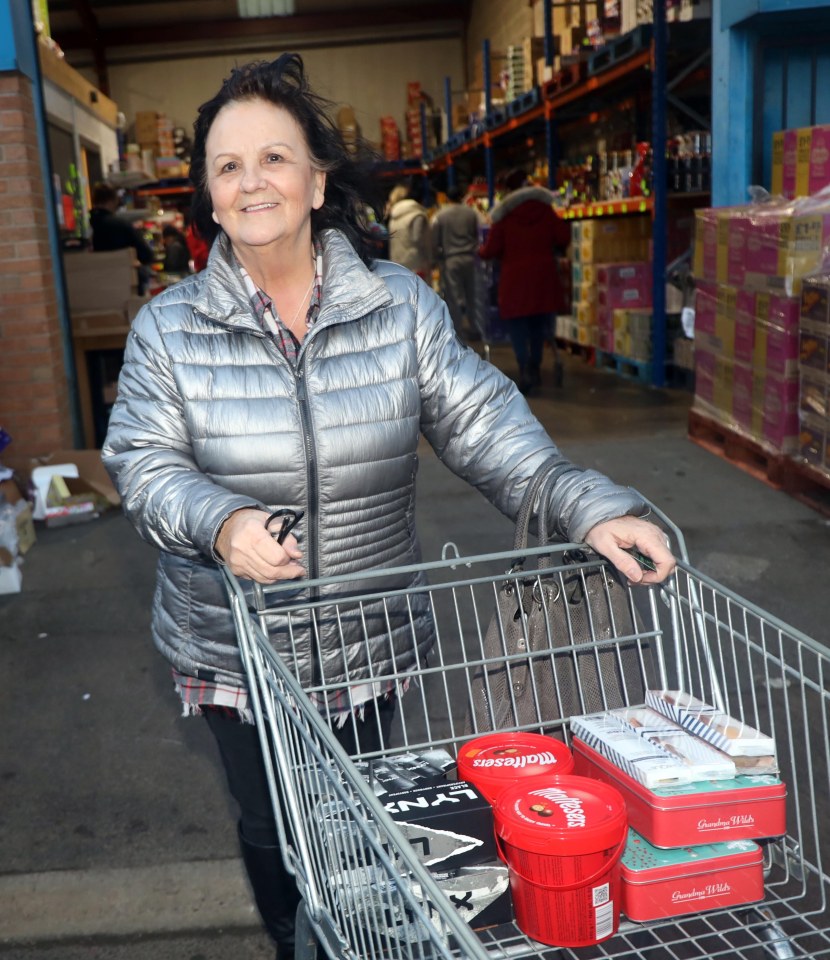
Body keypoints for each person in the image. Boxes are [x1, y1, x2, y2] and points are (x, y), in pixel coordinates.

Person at [101, 54, 675, 960]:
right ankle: (295, 938)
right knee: (269, 819)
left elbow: (489, 428)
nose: (254, 182)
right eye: (228, 165)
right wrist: (221, 522)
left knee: (358, 807)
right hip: (234, 646)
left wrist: (588, 505)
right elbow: (141, 462)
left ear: (317, 178)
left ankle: (354, 930)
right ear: (208, 199)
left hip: (373, 638)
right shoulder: (168, 330)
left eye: (275, 158)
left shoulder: (399, 307)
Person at [478, 168, 572, 393]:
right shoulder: (546, 211)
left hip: (515, 280)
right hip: (543, 277)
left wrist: (480, 252)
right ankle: (536, 365)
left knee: (518, 326)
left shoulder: (504, 216)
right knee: (539, 325)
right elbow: (563, 237)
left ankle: (524, 368)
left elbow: (491, 249)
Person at [431, 184, 483, 341]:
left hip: (451, 260)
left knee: (453, 297)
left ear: (446, 197)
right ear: (461, 196)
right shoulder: (471, 213)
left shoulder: (440, 215)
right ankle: (475, 329)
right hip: (470, 258)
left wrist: (436, 259)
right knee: (473, 295)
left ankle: (458, 332)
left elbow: (435, 241)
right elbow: (477, 234)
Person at [89, 182, 156, 293]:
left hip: (98, 288)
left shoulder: (90, 226)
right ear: (112, 200)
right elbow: (146, 255)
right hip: (126, 285)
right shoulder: (121, 225)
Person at [386, 181, 431, 279]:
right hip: (416, 264)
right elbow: (419, 239)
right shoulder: (417, 215)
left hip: (398, 264)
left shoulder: (393, 218)